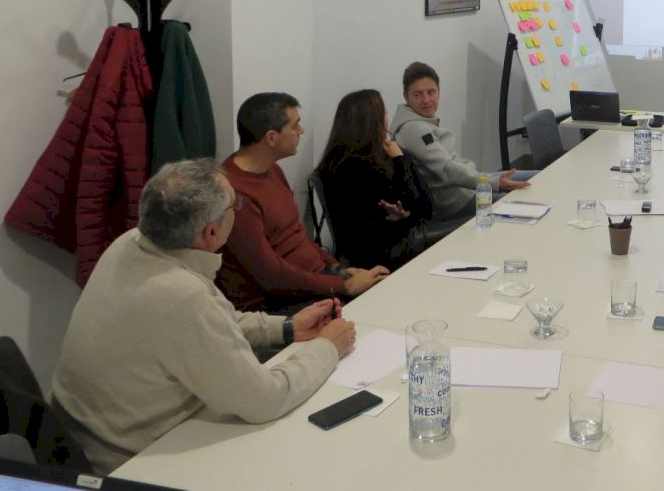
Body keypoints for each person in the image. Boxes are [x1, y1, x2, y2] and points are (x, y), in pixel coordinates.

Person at [50, 159, 356, 475]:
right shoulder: (180, 295)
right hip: (132, 461)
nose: (237, 210)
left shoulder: (130, 244)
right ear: (211, 232)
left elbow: (215, 322)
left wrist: (287, 328)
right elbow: (265, 401)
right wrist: (327, 347)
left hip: (87, 435)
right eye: (234, 205)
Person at [216, 92, 389, 311]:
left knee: (388, 291)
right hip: (278, 301)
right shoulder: (235, 194)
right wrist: (341, 285)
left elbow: (296, 232)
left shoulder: (272, 169)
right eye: (295, 125)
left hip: (314, 280)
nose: (301, 130)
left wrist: (335, 267)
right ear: (271, 137)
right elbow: (270, 275)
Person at [392, 62, 534, 223]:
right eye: (417, 94)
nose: (426, 100)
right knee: (524, 201)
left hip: (467, 187)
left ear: (438, 92)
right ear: (406, 96)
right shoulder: (414, 129)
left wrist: (490, 177)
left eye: (431, 92)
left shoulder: (419, 122)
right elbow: (447, 169)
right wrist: (494, 182)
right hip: (459, 200)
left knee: (535, 177)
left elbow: (454, 164)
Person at [316, 89, 427, 269]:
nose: (386, 120)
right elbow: (422, 205)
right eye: (384, 114)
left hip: (361, 253)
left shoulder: (334, 162)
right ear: (372, 122)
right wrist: (401, 160)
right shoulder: (367, 167)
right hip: (383, 256)